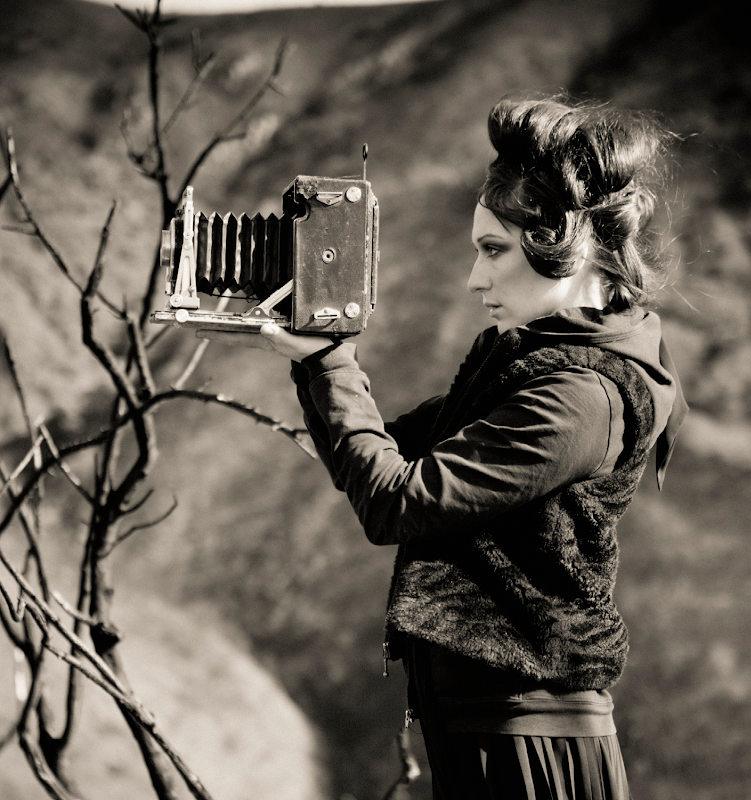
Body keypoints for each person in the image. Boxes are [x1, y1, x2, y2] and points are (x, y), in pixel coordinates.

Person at [200, 95, 688, 800]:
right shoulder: (529, 366)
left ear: (568, 242)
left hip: (531, 746)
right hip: (489, 731)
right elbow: (377, 460)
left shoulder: (581, 400)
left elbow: (396, 505)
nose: (474, 278)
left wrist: (329, 362)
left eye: (493, 250)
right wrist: (313, 355)